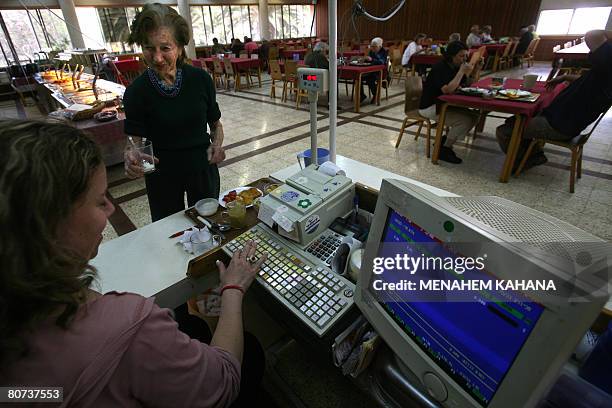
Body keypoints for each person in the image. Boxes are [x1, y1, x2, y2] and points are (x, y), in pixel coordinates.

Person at [0, 120, 266, 406]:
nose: (112, 208)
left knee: (192, 326)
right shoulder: (131, 327)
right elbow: (221, 380)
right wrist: (233, 290)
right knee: (249, 350)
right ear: (49, 224)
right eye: (101, 200)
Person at [123, 4, 226, 222]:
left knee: (207, 224)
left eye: (165, 48)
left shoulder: (200, 80)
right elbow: (133, 139)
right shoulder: (136, 92)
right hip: (162, 175)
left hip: (202, 168)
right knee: (167, 230)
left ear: (179, 47)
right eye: (149, 48)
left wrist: (217, 144)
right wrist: (131, 154)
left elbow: (216, 124)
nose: (157, 58)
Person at [496, 30, 612, 170]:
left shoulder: (609, 62)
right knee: (516, 119)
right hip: (569, 123)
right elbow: (591, 81)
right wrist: (565, 77)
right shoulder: (605, 73)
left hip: (558, 126)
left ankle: (526, 160)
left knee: (506, 130)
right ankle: (532, 152)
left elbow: (593, 35)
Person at [419, 41, 479, 164]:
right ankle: (444, 149)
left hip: (444, 104)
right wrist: (461, 72)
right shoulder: (439, 67)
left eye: (466, 56)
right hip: (430, 106)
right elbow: (447, 90)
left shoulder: (456, 66)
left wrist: (476, 69)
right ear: (451, 55)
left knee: (474, 115)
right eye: (461, 56)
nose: (464, 59)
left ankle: (443, 142)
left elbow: (467, 84)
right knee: (464, 120)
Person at [361, 37, 388, 104]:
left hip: (380, 72)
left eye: (374, 47)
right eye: (372, 46)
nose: (372, 48)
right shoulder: (372, 51)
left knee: (370, 78)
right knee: (359, 77)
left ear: (380, 46)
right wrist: (365, 59)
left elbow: (382, 62)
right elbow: (369, 60)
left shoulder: (383, 51)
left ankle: (375, 94)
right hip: (371, 70)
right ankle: (362, 95)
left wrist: (372, 60)